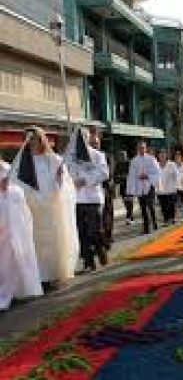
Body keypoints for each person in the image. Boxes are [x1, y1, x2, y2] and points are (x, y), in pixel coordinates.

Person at [10, 126, 80, 289]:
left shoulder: (53, 160)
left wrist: (60, 179)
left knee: (52, 242)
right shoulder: (22, 162)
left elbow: (65, 185)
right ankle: (40, 276)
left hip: (51, 208)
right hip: (32, 208)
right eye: (29, 139)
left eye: (35, 139)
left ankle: (54, 274)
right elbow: (15, 182)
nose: (32, 142)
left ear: (42, 140)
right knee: (36, 243)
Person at [0, 158, 43, 310]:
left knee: (10, 258)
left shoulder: (8, 168)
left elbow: (19, 191)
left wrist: (7, 188)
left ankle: (8, 293)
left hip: (10, 220)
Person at [65, 128, 109, 271]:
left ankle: (100, 248)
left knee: (95, 230)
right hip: (75, 199)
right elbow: (64, 174)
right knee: (81, 232)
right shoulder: (69, 157)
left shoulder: (97, 155)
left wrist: (85, 180)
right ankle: (88, 261)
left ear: (87, 139)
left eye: (82, 138)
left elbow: (103, 173)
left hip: (92, 199)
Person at [126, 141, 160, 234]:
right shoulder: (134, 161)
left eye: (143, 147)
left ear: (146, 148)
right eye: (140, 148)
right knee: (143, 208)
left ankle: (154, 223)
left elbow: (157, 172)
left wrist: (147, 176)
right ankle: (146, 228)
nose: (141, 149)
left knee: (151, 206)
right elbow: (131, 176)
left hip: (149, 186)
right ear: (137, 149)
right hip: (140, 187)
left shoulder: (151, 159)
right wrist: (130, 190)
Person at [88, 128, 114, 250]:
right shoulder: (86, 157)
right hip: (91, 193)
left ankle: (107, 240)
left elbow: (109, 173)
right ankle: (98, 243)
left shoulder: (106, 156)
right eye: (92, 143)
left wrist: (105, 185)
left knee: (107, 217)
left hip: (105, 190)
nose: (94, 145)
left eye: (96, 143)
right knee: (95, 221)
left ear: (99, 143)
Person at [156, 149, 178, 226]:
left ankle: (172, 218)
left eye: (163, 154)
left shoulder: (171, 164)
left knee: (171, 205)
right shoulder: (156, 165)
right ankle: (166, 219)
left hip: (171, 189)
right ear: (158, 156)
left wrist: (176, 185)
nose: (162, 155)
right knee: (163, 205)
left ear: (166, 155)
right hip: (160, 190)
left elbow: (176, 175)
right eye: (160, 154)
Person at [114, 151, 134, 225]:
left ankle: (129, 217)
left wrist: (126, 176)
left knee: (130, 202)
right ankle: (130, 215)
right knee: (126, 202)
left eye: (123, 155)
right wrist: (118, 178)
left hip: (130, 186)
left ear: (126, 156)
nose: (122, 157)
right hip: (122, 186)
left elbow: (133, 173)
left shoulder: (129, 163)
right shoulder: (118, 165)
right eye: (121, 155)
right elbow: (115, 175)